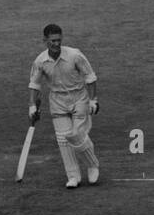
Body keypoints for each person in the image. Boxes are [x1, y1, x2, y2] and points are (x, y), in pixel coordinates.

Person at [28, 23, 100, 188]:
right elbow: (34, 84)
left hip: (79, 97)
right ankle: (73, 176)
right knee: (63, 140)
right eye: (52, 40)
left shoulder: (75, 55)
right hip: (57, 101)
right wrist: (32, 106)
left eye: (59, 40)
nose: (56, 44)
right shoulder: (40, 61)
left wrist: (93, 99)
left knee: (76, 134)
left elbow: (90, 77)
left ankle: (92, 164)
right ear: (45, 40)